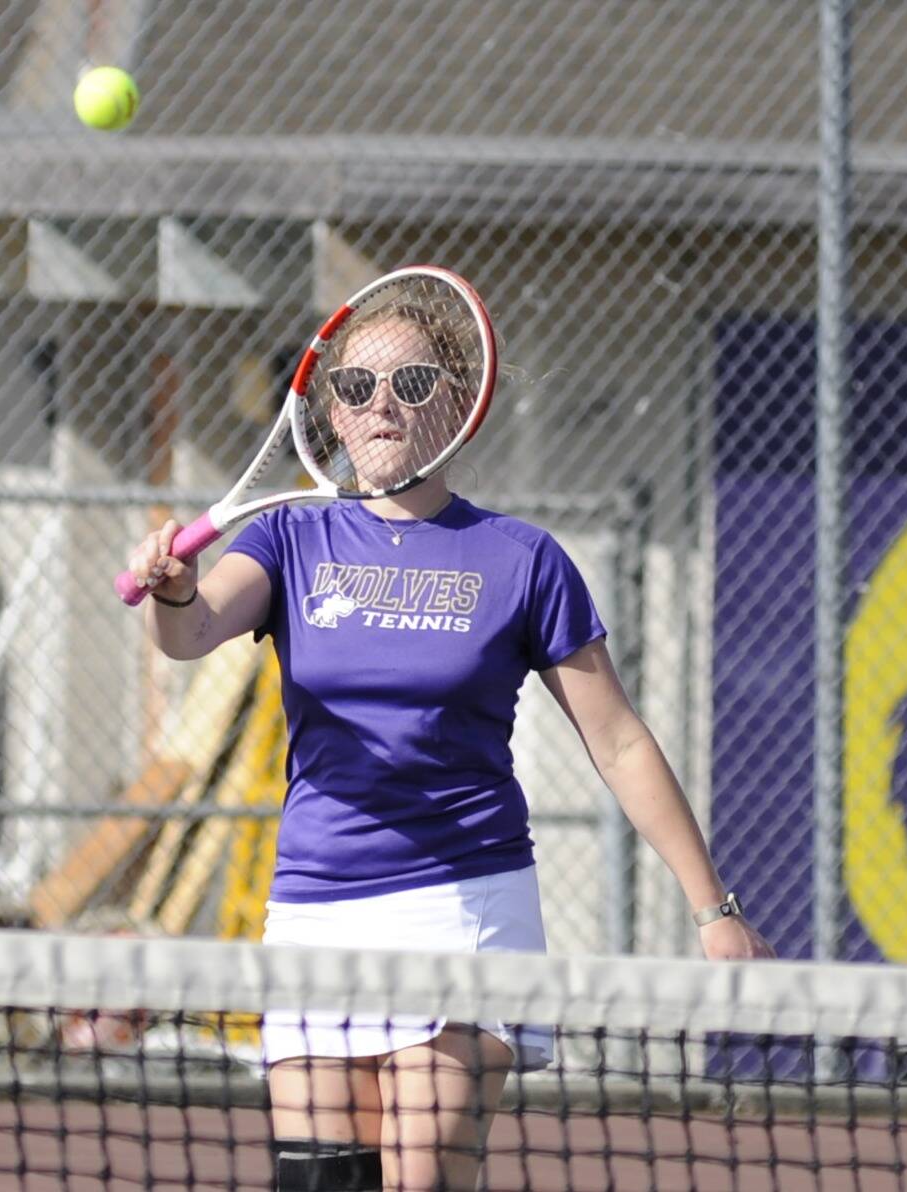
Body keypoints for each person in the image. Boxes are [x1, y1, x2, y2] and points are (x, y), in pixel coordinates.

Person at [125, 302, 773, 1191]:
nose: (383, 403)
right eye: (358, 385)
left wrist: (714, 909)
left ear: (457, 403)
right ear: (333, 411)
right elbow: (191, 633)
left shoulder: (522, 558)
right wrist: (172, 592)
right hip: (317, 910)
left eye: (412, 382)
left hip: (464, 905)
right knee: (320, 1182)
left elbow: (618, 740)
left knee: (421, 1178)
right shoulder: (287, 537)